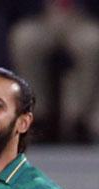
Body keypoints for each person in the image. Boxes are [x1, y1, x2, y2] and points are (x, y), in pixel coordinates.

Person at [9, 1, 99, 141]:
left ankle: (79, 119)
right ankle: (37, 116)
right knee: (25, 39)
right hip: (43, 18)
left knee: (93, 42)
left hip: (82, 18)